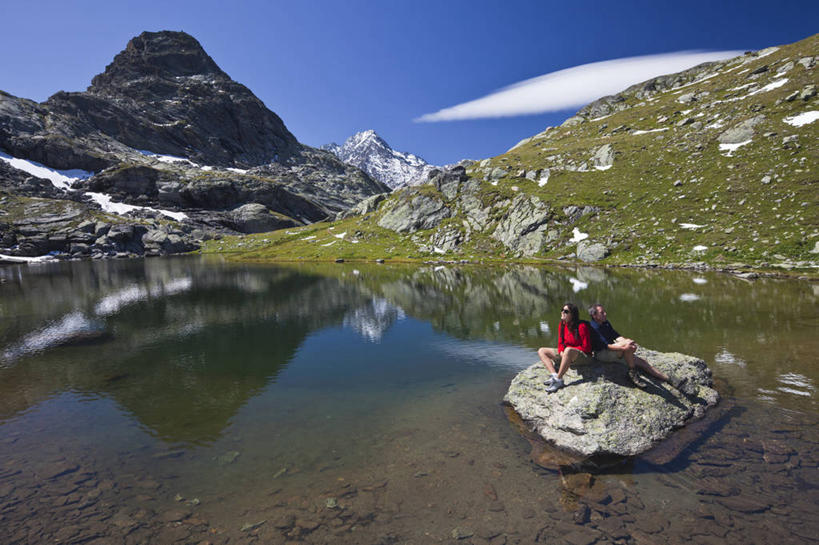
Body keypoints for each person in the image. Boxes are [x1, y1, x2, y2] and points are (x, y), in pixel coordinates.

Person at [587, 303, 687, 390]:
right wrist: (624, 347)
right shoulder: (593, 327)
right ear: (594, 315)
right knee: (628, 347)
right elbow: (606, 346)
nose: (605, 314)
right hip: (602, 354)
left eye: (604, 311)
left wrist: (627, 341)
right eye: (602, 312)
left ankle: (668, 379)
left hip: (614, 352)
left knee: (643, 363)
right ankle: (632, 373)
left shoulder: (605, 323)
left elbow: (615, 335)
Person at [537, 303, 593, 393]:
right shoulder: (562, 324)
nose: (563, 312)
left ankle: (559, 380)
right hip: (567, 354)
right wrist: (561, 352)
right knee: (542, 351)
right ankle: (554, 375)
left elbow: (587, 348)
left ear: (572, 314)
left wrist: (568, 351)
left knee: (568, 350)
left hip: (583, 356)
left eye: (566, 311)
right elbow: (560, 342)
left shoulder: (581, 326)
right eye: (562, 310)